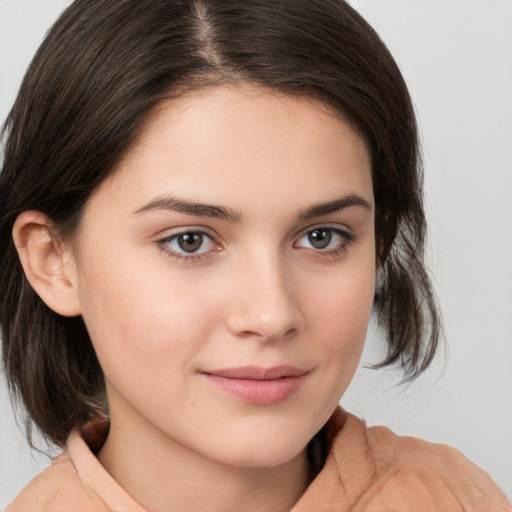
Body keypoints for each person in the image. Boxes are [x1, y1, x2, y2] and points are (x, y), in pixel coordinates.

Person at [0, 0, 509, 510]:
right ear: (54, 261)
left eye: (322, 237)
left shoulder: (458, 498)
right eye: (189, 241)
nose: (272, 315)